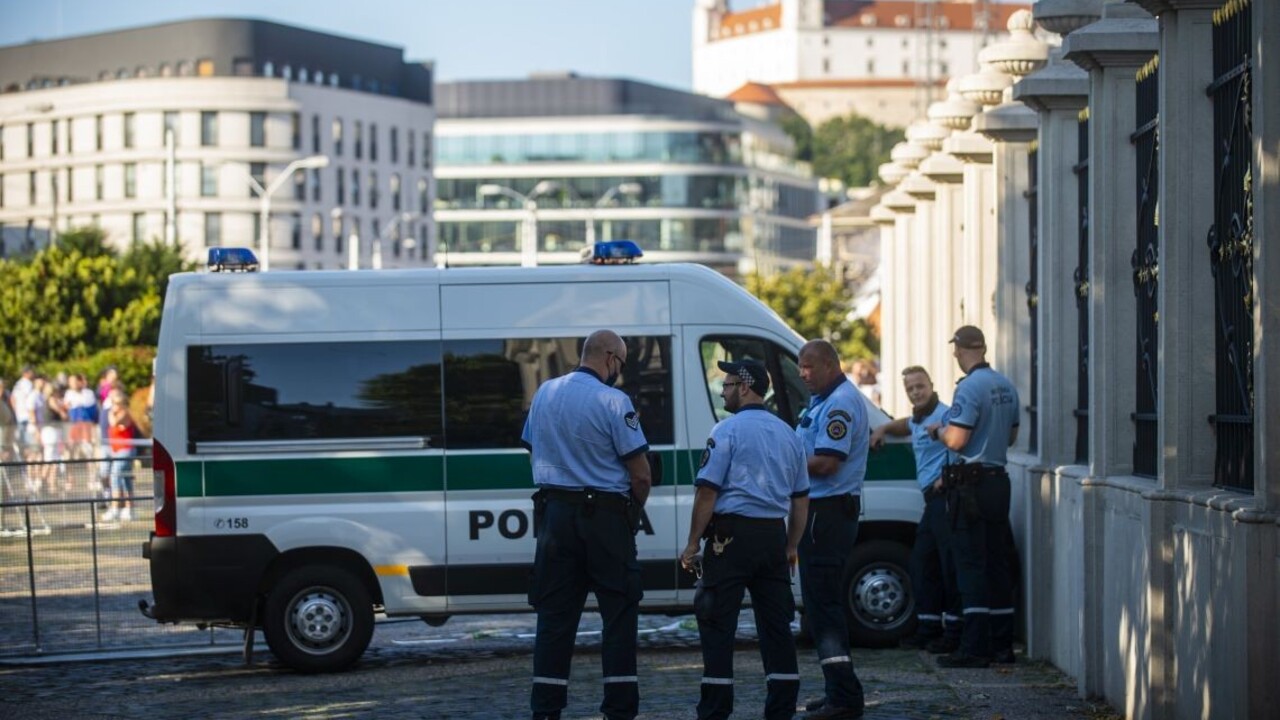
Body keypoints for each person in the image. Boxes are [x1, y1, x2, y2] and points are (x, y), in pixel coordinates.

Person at [521, 330, 652, 720]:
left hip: (555, 518)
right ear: (610, 357)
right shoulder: (614, 401)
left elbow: (532, 443)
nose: (620, 373)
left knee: (555, 618)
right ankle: (619, 709)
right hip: (605, 519)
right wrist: (632, 511)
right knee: (618, 614)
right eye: (622, 365)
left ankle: (545, 710)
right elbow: (641, 475)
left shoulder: (545, 392)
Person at [680, 360, 810, 720]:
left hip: (730, 538)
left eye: (728, 383)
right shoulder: (789, 433)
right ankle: (782, 708)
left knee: (718, 622)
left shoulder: (726, 431)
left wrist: (692, 543)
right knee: (776, 626)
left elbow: (707, 492)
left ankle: (715, 709)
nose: (723, 390)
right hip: (771, 536)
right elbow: (800, 499)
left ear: (746, 386)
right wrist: (791, 546)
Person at [930, 326, 1020, 668]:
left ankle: (975, 647)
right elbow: (1011, 436)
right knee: (997, 563)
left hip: (970, 487)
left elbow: (956, 440)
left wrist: (937, 430)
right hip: (998, 482)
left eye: (955, 349)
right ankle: (1002, 644)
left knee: (970, 565)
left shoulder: (968, 388)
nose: (953, 355)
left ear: (961, 349)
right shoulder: (1006, 385)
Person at [794, 340, 868, 720]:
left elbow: (826, 464)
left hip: (827, 513)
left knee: (824, 607)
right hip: (820, 512)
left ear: (828, 364)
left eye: (807, 367)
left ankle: (844, 698)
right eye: (799, 368)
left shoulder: (839, 402)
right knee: (820, 607)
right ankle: (837, 691)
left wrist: (783, 464)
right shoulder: (823, 400)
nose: (802, 374)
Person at [870, 366, 961, 653]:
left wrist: (944, 478)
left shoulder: (945, 416)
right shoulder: (920, 419)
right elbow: (905, 424)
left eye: (920, 386)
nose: (915, 392)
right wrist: (883, 428)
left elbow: (962, 448)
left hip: (945, 497)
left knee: (949, 566)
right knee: (923, 564)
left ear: (932, 385)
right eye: (910, 388)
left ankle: (955, 631)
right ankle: (929, 628)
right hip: (930, 502)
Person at [102, 387, 138, 522]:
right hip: (117, 451)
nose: (114, 406)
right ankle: (130, 509)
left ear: (122, 404)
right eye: (113, 403)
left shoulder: (124, 413)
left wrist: (111, 411)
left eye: (117, 403)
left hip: (126, 450)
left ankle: (115, 508)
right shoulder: (116, 412)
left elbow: (113, 423)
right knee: (125, 479)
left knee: (115, 475)